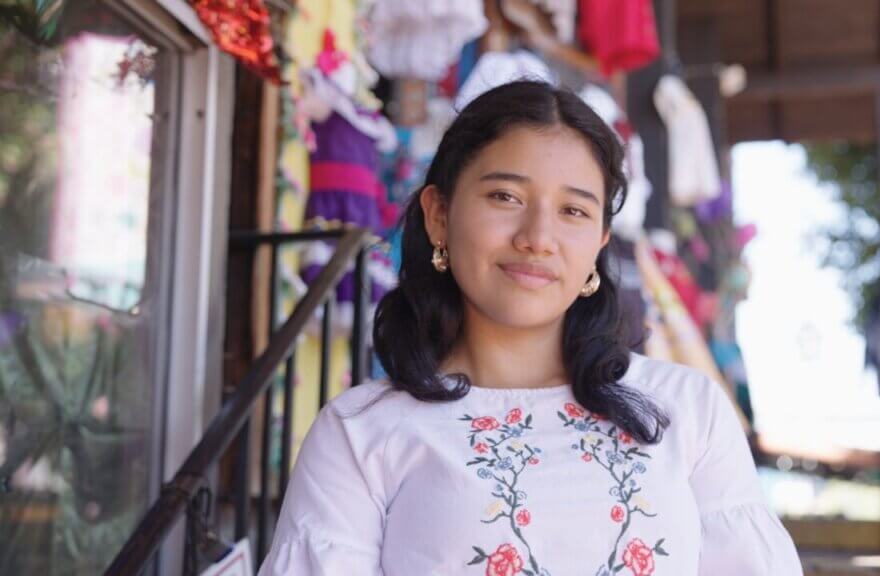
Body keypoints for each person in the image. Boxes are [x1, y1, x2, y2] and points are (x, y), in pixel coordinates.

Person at [259, 80, 802, 575]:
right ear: (439, 215)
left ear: (600, 243)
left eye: (573, 211)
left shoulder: (687, 410)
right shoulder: (359, 433)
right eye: (506, 197)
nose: (538, 237)